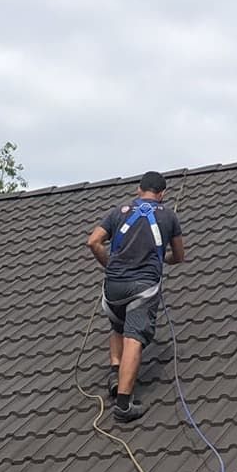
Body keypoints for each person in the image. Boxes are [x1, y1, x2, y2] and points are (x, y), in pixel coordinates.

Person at [84, 172, 186, 423]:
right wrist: (163, 258)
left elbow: (93, 241)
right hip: (142, 288)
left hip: (114, 287)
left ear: (139, 190)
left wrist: (109, 265)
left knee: (118, 326)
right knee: (134, 338)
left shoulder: (118, 212)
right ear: (162, 194)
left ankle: (114, 375)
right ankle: (124, 404)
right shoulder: (169, 216)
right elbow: (179, 256)